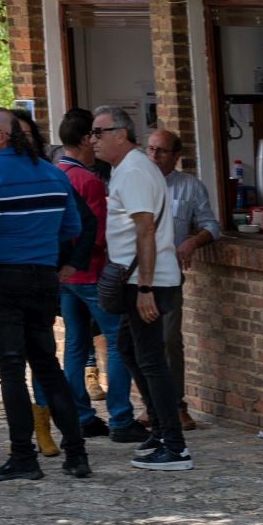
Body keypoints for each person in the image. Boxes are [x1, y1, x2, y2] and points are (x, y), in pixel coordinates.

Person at [0, 108, 92, 481]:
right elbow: (71, 225)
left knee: (10, 371)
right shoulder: (52, 174)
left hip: (1, 279)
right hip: (41, 278)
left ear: (1, 136)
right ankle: (77, 454)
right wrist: (37, 241)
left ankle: (24, 457)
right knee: (48, 367)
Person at [31, 108, 143, 443]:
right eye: (93, 136)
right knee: (118, 344)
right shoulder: (88, 181)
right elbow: (92, 233)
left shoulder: (54, 174)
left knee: (76, 347)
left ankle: (80, 414)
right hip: (91, 274)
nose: (96, 142)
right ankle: (121, 417)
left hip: (65, 278)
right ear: (84, 139)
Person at [91, 106, 191, 470]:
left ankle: (175, 445)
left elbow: (145, 228)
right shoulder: (127, 169)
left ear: (121, 133)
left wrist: (145, 287)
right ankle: (163, 431)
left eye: (100, 132)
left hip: (145, 280)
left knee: (150, 359)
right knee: (129, 350)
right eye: (92, 132)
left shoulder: (133, 170)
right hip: (140, 277)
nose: (93, 139)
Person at [146, 128, 221, 431]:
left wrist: (192, 241)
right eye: (150, 149)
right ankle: (152, 406)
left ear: (176, 156)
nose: (154, 156)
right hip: (135, 272)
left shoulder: (190, 187)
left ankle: (176, 404)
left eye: (161, 151)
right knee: (138, 342)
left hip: (168, 274)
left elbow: (212, 226)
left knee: (168, 339)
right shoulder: (134, 182)